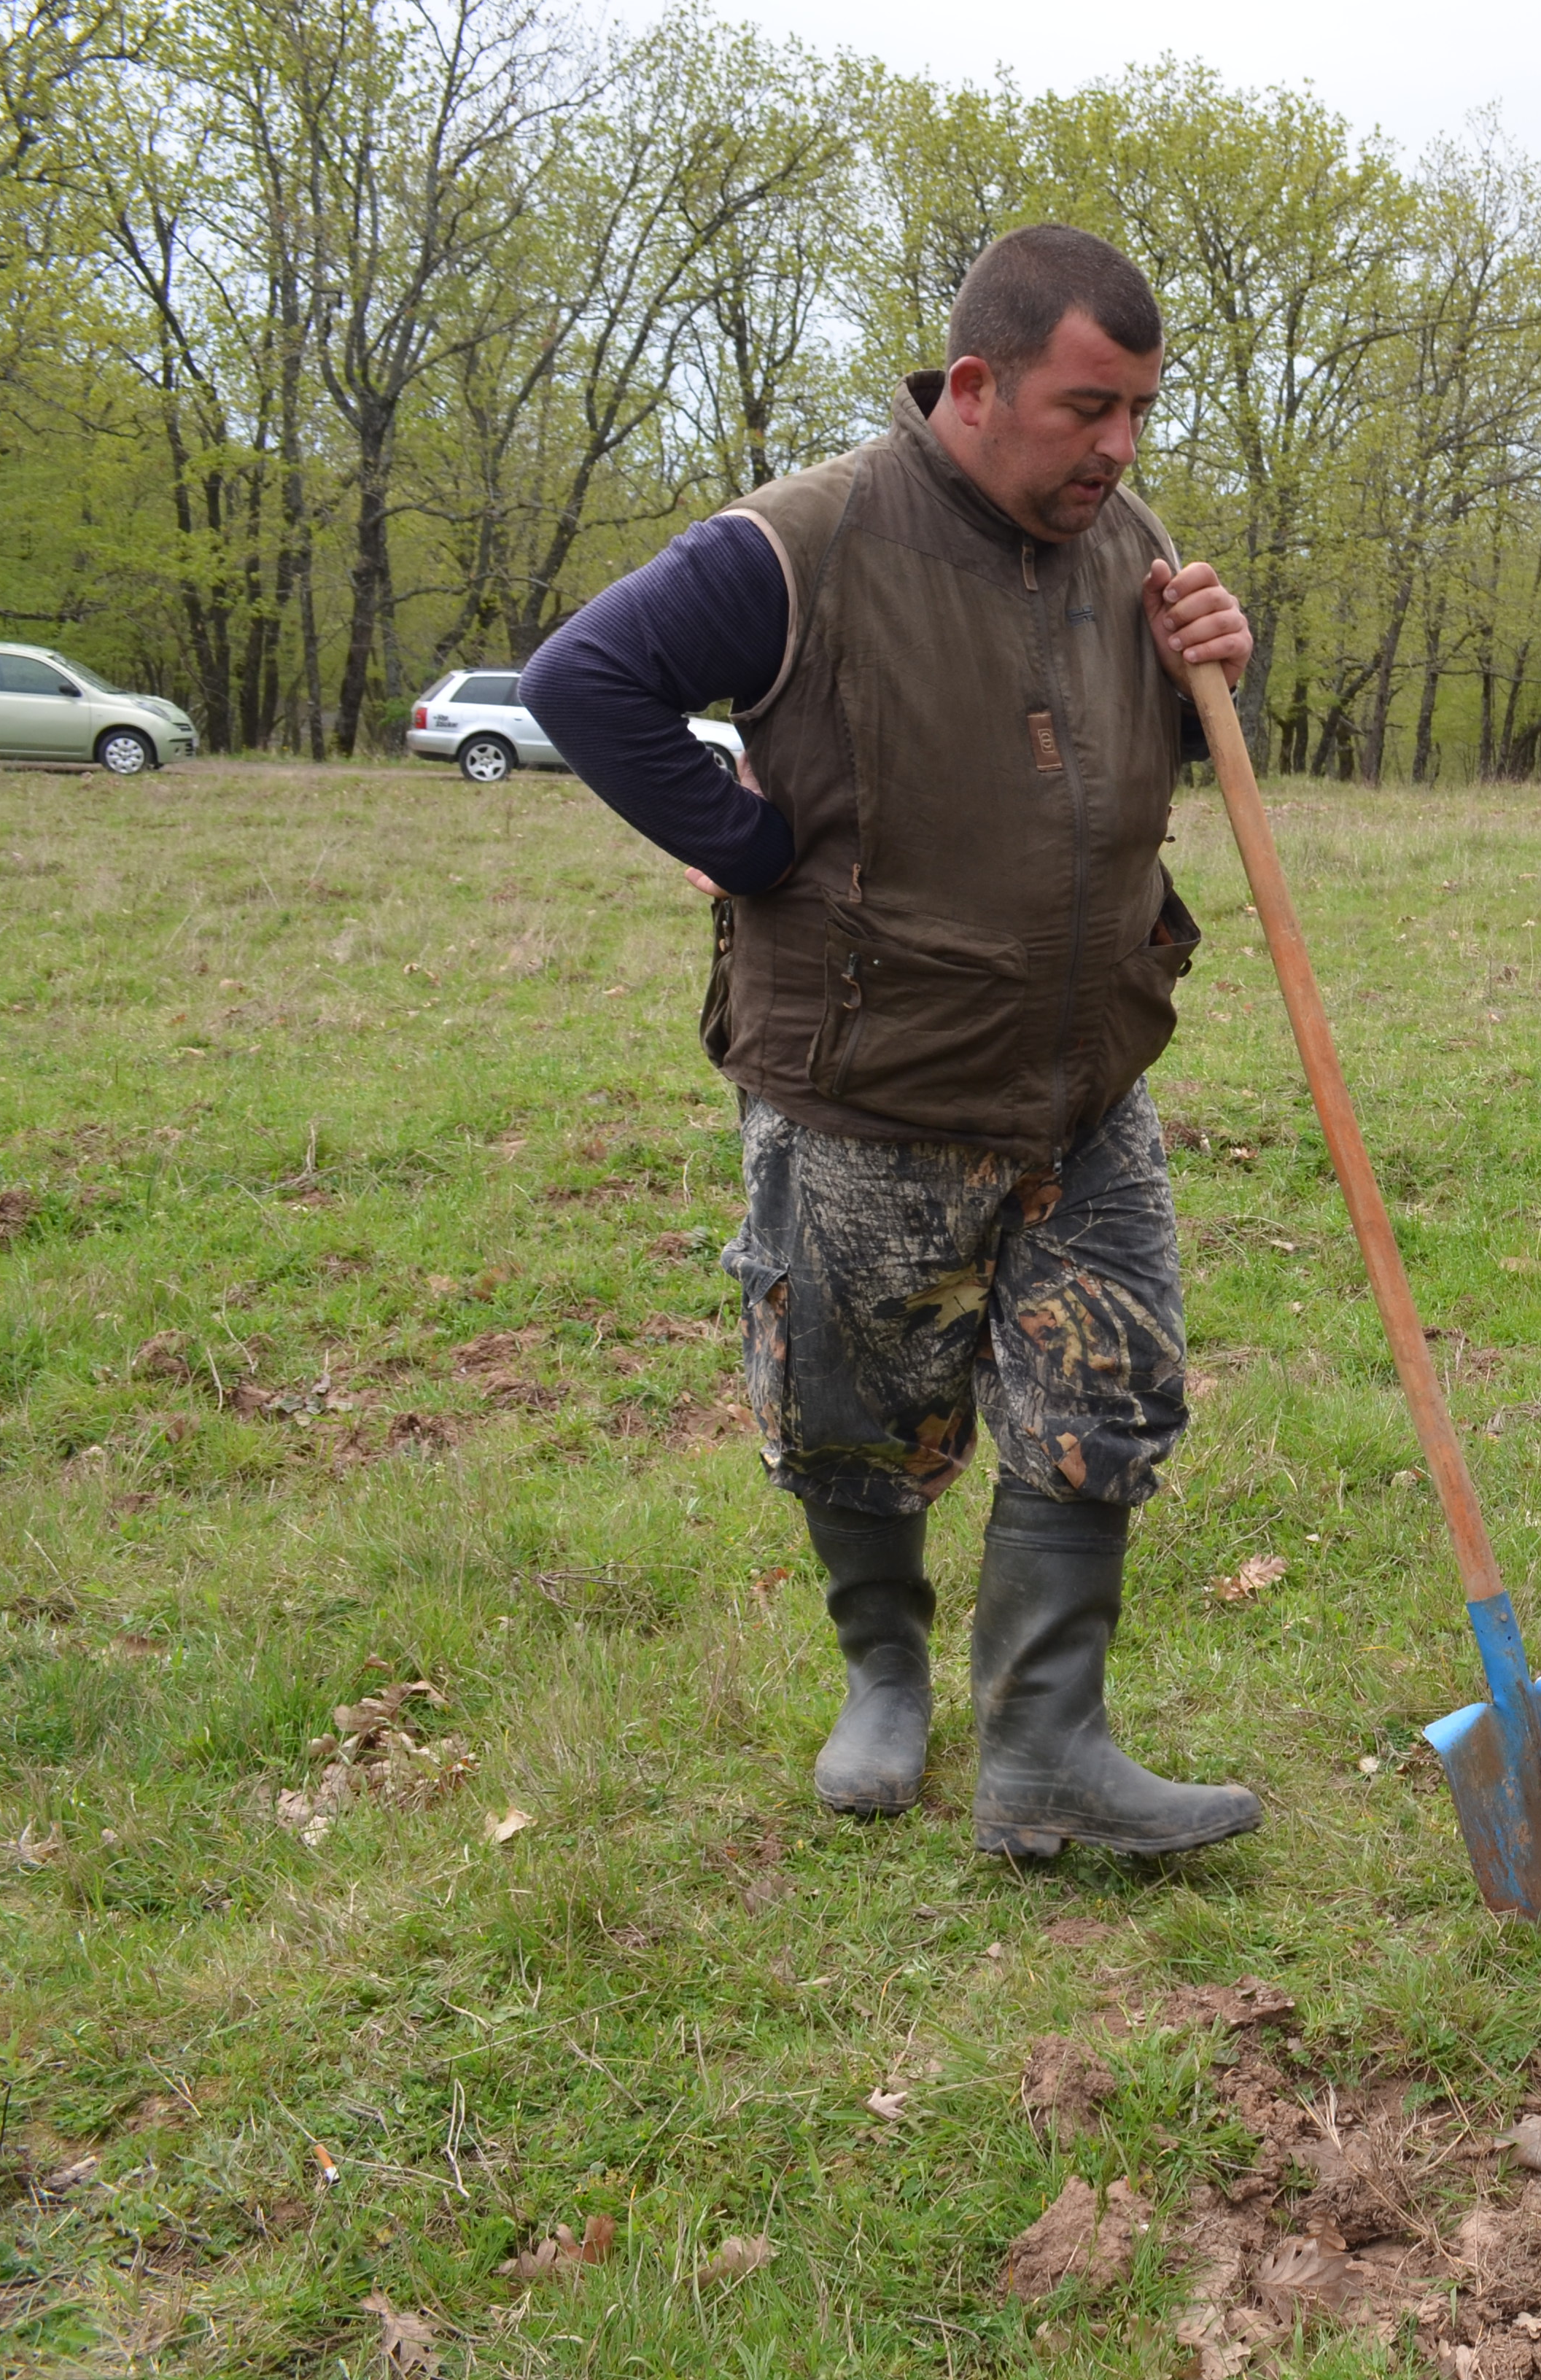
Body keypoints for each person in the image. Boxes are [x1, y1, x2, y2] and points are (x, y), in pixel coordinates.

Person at [521, 226, 1265, 1862]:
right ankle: (884, 1675)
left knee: (1106, 1386)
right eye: (1090, 407)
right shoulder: (806, 540)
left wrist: (1211, 669)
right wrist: (749, 845)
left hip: (1085, 1070)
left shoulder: (1119, 538)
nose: (1122, 447)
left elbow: (1137, 760)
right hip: (873, 1082)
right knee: (862, 1410)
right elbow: (587, 679)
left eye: (1141, 408)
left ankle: (1047, 1750)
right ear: (978, 385)